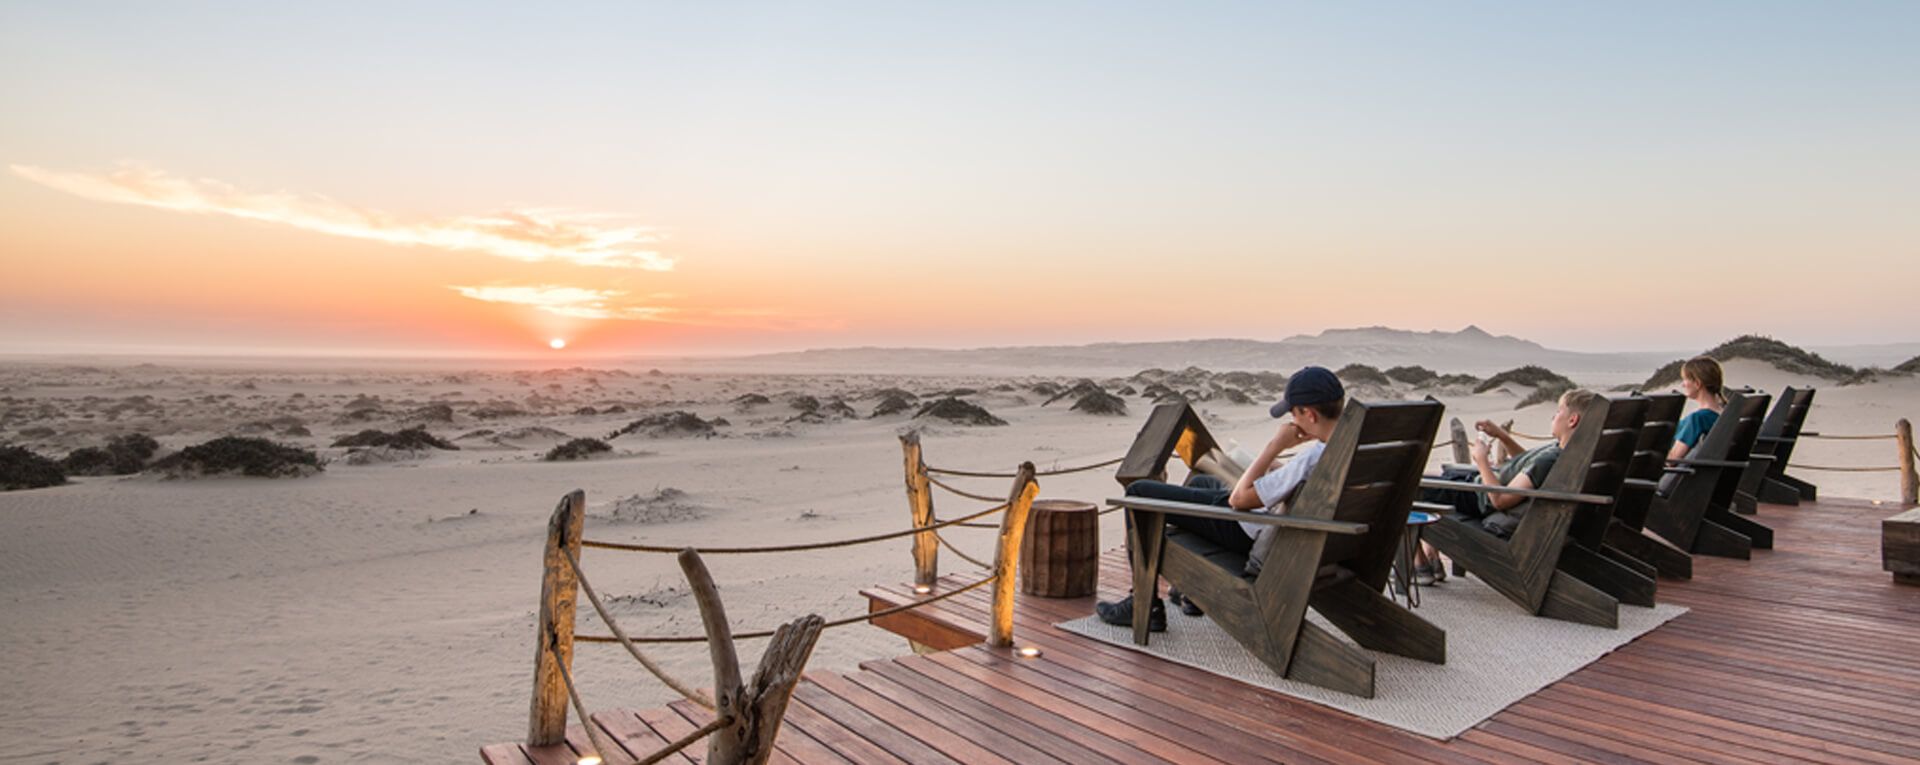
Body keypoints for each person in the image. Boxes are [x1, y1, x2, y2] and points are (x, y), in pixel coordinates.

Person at [1095, 366, 1346, 631]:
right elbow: (1291, 485)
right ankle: (1189, 591)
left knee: (1139, 492)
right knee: (1202, 480)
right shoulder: (1346, 449)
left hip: (1243, 528)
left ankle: (1143, 605)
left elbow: (1238, 500)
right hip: (1300, 536)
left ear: (1310, 414)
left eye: (1293, 413)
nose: (1291, 421)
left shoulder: (1311, 458)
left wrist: (1276, 446)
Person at [1421, 388, 1600, 549]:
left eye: (1558, 411)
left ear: (1572, 420)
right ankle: (1430, 557)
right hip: (1481, 485)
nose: (1553, 416)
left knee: (1412, 488)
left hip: (1476, 496)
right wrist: (1502, 436)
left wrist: (1481, 459)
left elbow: (1499, 500)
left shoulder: (1550, 459)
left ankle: (1420, 564)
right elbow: (1528, 465)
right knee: (1443, 475)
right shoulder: (1564, 452)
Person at [1668, 356, 1727, 461]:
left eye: (1685, 379)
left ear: (1697, 383)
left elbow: (1672, 459)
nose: (1682, 384)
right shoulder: (1724, 414)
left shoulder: (1698, 419)